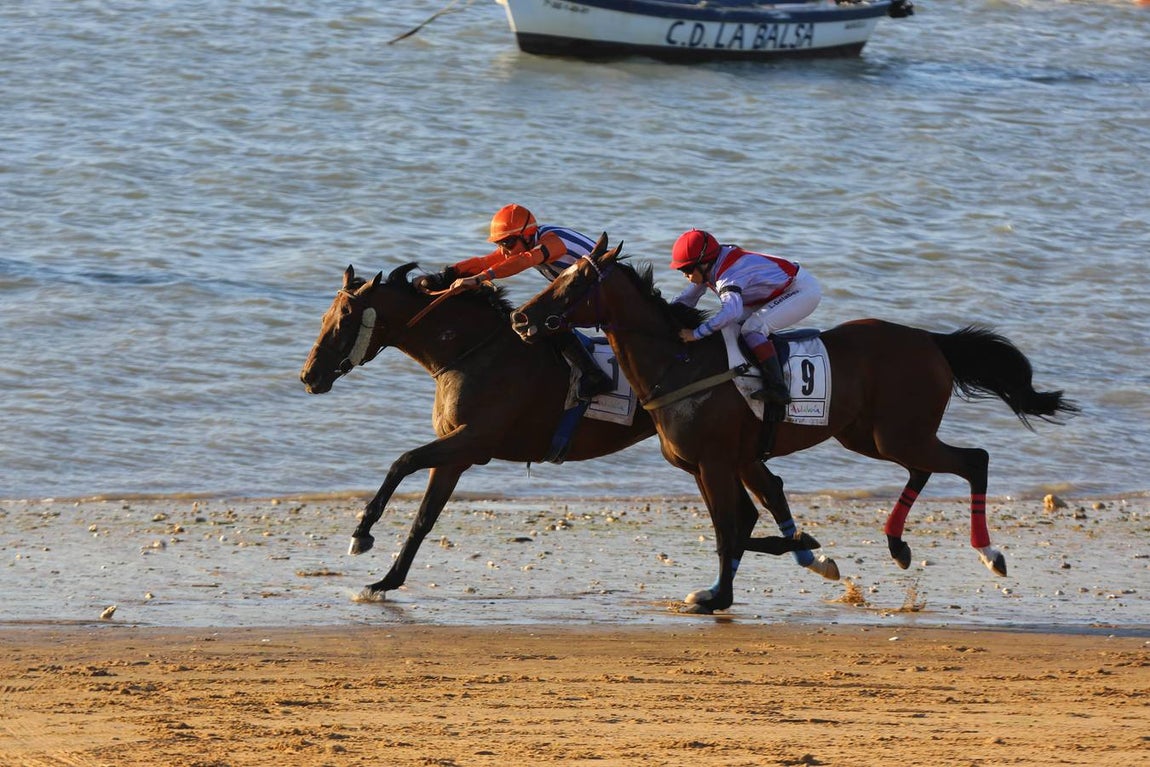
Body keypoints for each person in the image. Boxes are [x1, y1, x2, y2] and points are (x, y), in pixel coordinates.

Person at [416, 204, 613, 400]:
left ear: (527, 235)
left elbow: (526, 260)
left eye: (508, 243)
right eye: (500, 244)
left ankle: (593, 375)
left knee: (541, 318)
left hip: (608, 295)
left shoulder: (553, 241)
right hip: (586, 294)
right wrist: (442, 275)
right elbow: (485, 262)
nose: (505, 250)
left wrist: (479, 279)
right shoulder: (524, 242)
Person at [669, 229, 821, 414]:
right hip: (771, 292)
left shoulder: (729, 274)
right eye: (681, 269)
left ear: (704, 264)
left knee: (752, 329)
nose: (684, 274)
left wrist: (696, 334)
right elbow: (688, 298)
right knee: (726, 330)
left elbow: (731, 311)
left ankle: (778, 388)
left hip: (800, 291)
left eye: (686, 269)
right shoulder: (710, 265)